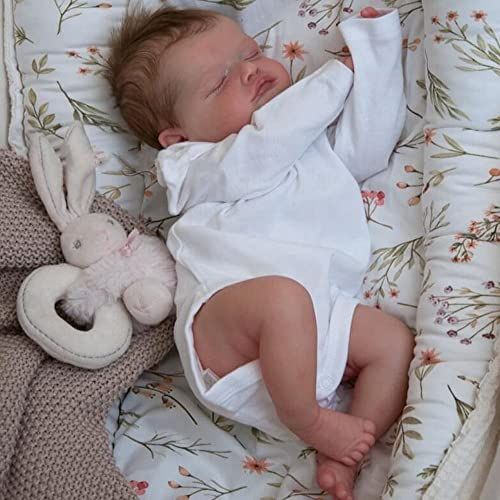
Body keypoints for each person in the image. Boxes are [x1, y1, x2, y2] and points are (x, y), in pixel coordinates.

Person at [107, 5, 414, 499]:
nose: (251, 69)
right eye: (220, 81)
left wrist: (374, 52)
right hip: (230, 331)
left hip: (317, 328)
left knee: (394, 343)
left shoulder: (307, 143)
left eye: (250, 53)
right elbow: (265, 148)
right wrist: (333, 80)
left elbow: (370, 146)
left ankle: (346, 447)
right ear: (176, 135)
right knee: (282, 300)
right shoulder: (195, 166)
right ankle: (312, 422)